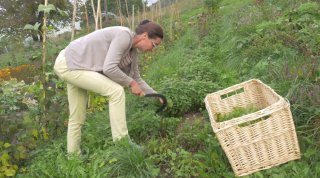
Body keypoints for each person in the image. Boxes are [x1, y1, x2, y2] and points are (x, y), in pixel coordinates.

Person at [53, 19, 163, 154]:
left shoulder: (133, 52)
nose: (153, 50)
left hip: (76, 63)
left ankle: (73, 159)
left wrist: (156, 94)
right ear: (145, 36)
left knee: (77, 117)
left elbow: (137, 78)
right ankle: (123, 145)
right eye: (154, 45)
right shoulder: (124, 35)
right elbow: (109, 68)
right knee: (116, 92)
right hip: (68, 62)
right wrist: (131, 83)